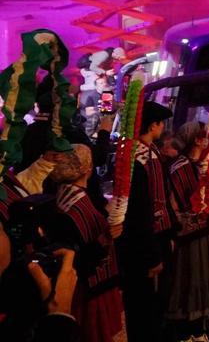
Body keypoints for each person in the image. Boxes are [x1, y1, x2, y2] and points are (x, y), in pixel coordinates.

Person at [49, 144, 127, 342]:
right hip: (88, 293)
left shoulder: (66, 194)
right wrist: (104, 239)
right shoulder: (73, 205)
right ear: (87, 168)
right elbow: (76, 258)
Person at [162, 122, 209, 341]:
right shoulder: (180, 167)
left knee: (206, 286)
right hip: (192, 238)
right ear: (197, 140)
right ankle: (191, 333)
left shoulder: (201, 162)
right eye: (204, 136)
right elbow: (180, 205)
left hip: (207, 232)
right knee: (192, 283)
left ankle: (200, 330)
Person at [114, 100, 173, 342]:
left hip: (155, 235)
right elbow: (139, 212)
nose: (163, 128)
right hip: (143, 242)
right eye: (161, 123)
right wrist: (152, 254)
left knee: (152, 302)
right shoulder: (137, 158)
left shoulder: (148, 152)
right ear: (153, 125)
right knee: (143, 302)